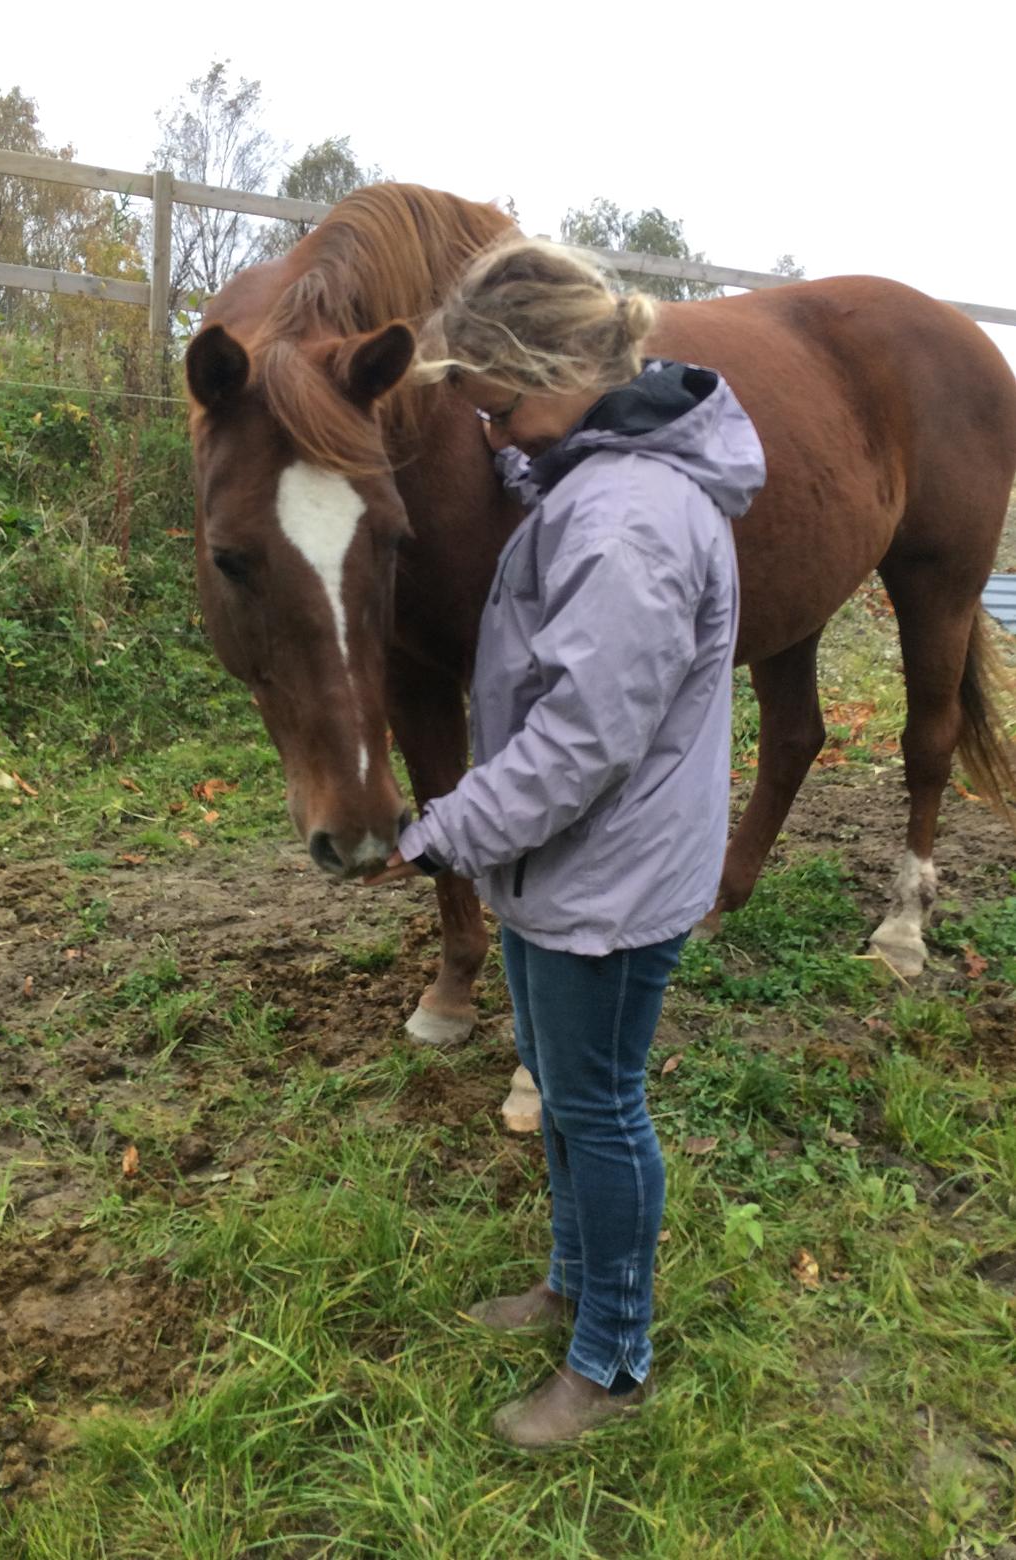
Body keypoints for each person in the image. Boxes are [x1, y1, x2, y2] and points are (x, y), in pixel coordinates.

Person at [363, 236, 766, 1449]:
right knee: (567, 1082)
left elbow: (581, 742)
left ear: (556, 373)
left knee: (596, 1106)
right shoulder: (600, 485)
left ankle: (614, 1354)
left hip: (609, 870)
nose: (492, 436)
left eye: (500, 405)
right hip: (566, 866)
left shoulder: (632, 522)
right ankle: (568, 1284)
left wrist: (444, 833)